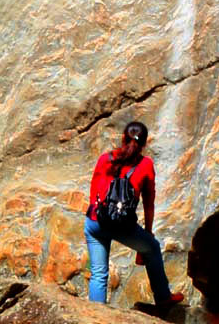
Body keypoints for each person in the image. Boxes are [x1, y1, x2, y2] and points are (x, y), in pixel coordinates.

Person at [84, 121, 184, 309]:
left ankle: (94, 316)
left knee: (98, 273)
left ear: (123, 138)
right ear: (145, 144)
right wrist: (147, 234)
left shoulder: (105, 159)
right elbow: (148, 204)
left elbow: (94, 191)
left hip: (95, 222)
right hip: (122, 225)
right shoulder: (145, 165)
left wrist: (96, 215)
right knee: (152, 247)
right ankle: (163, 298)